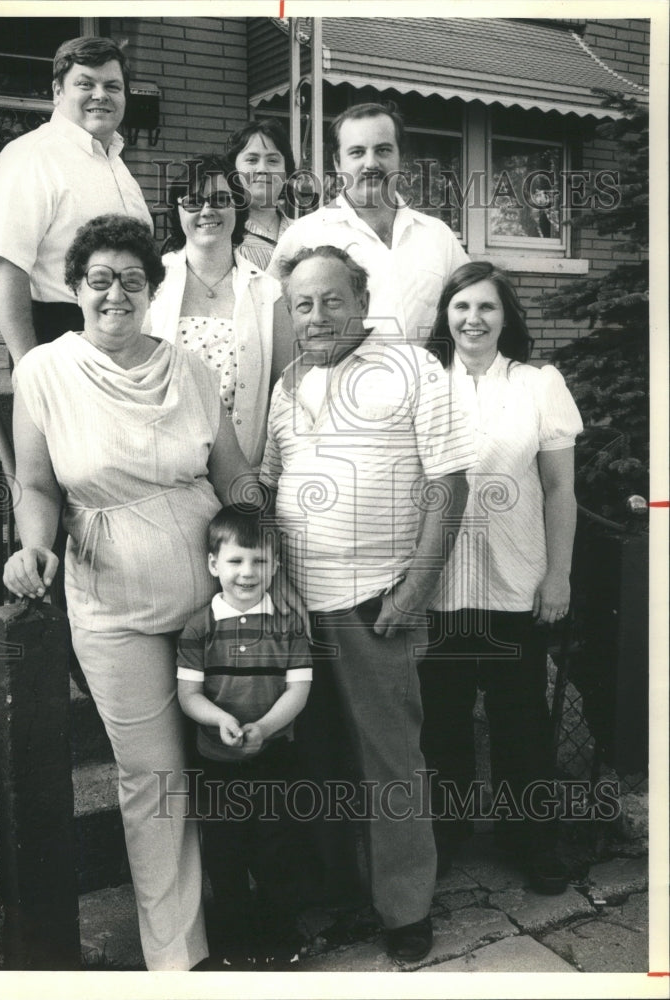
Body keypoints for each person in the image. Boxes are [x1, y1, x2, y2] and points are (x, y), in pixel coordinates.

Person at [2, 214, 254, 970]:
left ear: (153, 289)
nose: (116, 293)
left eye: (132, 280)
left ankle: (250, 914)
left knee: (236, 756)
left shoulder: (193, 370)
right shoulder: (44, 371)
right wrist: (34, 545)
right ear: (76, 288)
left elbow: (233, 474)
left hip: (215, 597)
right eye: (100, 279)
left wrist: (262, 534)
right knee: (153, 777)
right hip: (113, 607)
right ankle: (178, 958)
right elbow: (38, 484)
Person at [260, 246, 476, 963]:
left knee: (391, 762)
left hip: (374, 600)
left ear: (361, 299)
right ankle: (347, 890)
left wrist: (417, 584)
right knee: (321, 760)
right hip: (298, 604)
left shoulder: (413, 367)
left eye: (330, 300)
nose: (316, 316)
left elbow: (449, 482)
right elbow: (266, 481)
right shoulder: (287, 384)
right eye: (302, 305)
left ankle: (407, 908)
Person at [421, 261, 583, 894]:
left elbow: (560, 487)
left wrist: (558, 575)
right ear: (446, 317)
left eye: (487, 307)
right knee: (444, 720)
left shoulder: (539, 384)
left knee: (520, 717)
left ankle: (533, 840)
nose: (473, 319)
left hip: (516, 578)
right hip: (441, 585)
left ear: (507, 317)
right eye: (461, 307)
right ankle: (446, 834)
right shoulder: (426, 384)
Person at [177, 505, 312, 969]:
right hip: (217, 762)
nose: (247, 572)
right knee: (225, 855)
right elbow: (189, 695)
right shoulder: (200, 627)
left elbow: (299, 688)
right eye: (235, 561)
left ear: (275, 565)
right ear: (214, 564)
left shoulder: (288, 623)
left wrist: (266, 727)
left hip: (275, 757)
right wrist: (219, 720)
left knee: (278, 850)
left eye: (259, 561)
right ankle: (234, 943)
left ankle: (280, 934)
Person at [0, 36, 152, 363]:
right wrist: (28, 366)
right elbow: (6, 265)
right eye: (85, 84)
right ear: (58, 91)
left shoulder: (115, 163)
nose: (100, 95)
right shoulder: (31, 156)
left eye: (113, 87)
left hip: (124, 336)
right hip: (60, 337)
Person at [268, 102, 469, 341]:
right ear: (337, 162)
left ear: (400, 158)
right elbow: (272, 325)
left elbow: (470, 310)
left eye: (383, 150)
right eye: (357, 152)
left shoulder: (438, 237)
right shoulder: (303, 236)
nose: (371, 163)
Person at [146, 153, 294, 468]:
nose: (207, 210)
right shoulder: (150, 285)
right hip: (162, 465)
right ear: (178, 210)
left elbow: (284, 393)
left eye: (220, 199)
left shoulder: (270, 293)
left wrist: (267, 473)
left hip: (242, 469)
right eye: (194, 202)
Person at [225, 119, 297, 270]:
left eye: (272, 160)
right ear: (232, 171)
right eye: (252, 160)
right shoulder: (223, 234)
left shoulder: (304, 232)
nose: (262, 169)